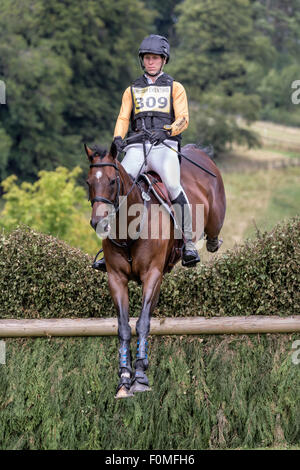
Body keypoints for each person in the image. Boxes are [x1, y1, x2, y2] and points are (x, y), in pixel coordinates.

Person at [93, 34, 200, 272]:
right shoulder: (131, 89)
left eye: (155, 58)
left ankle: (190, 242)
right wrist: (118, 138)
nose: (150, 62)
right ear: (142, 61)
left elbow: (184, 118)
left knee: (173, 185)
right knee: (117, 184)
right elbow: (123, 117)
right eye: (147, 58)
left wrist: (169, 132)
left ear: (163, 60)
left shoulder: (176, 87)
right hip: (136, 148)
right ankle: (107, 244)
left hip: (164, 147)